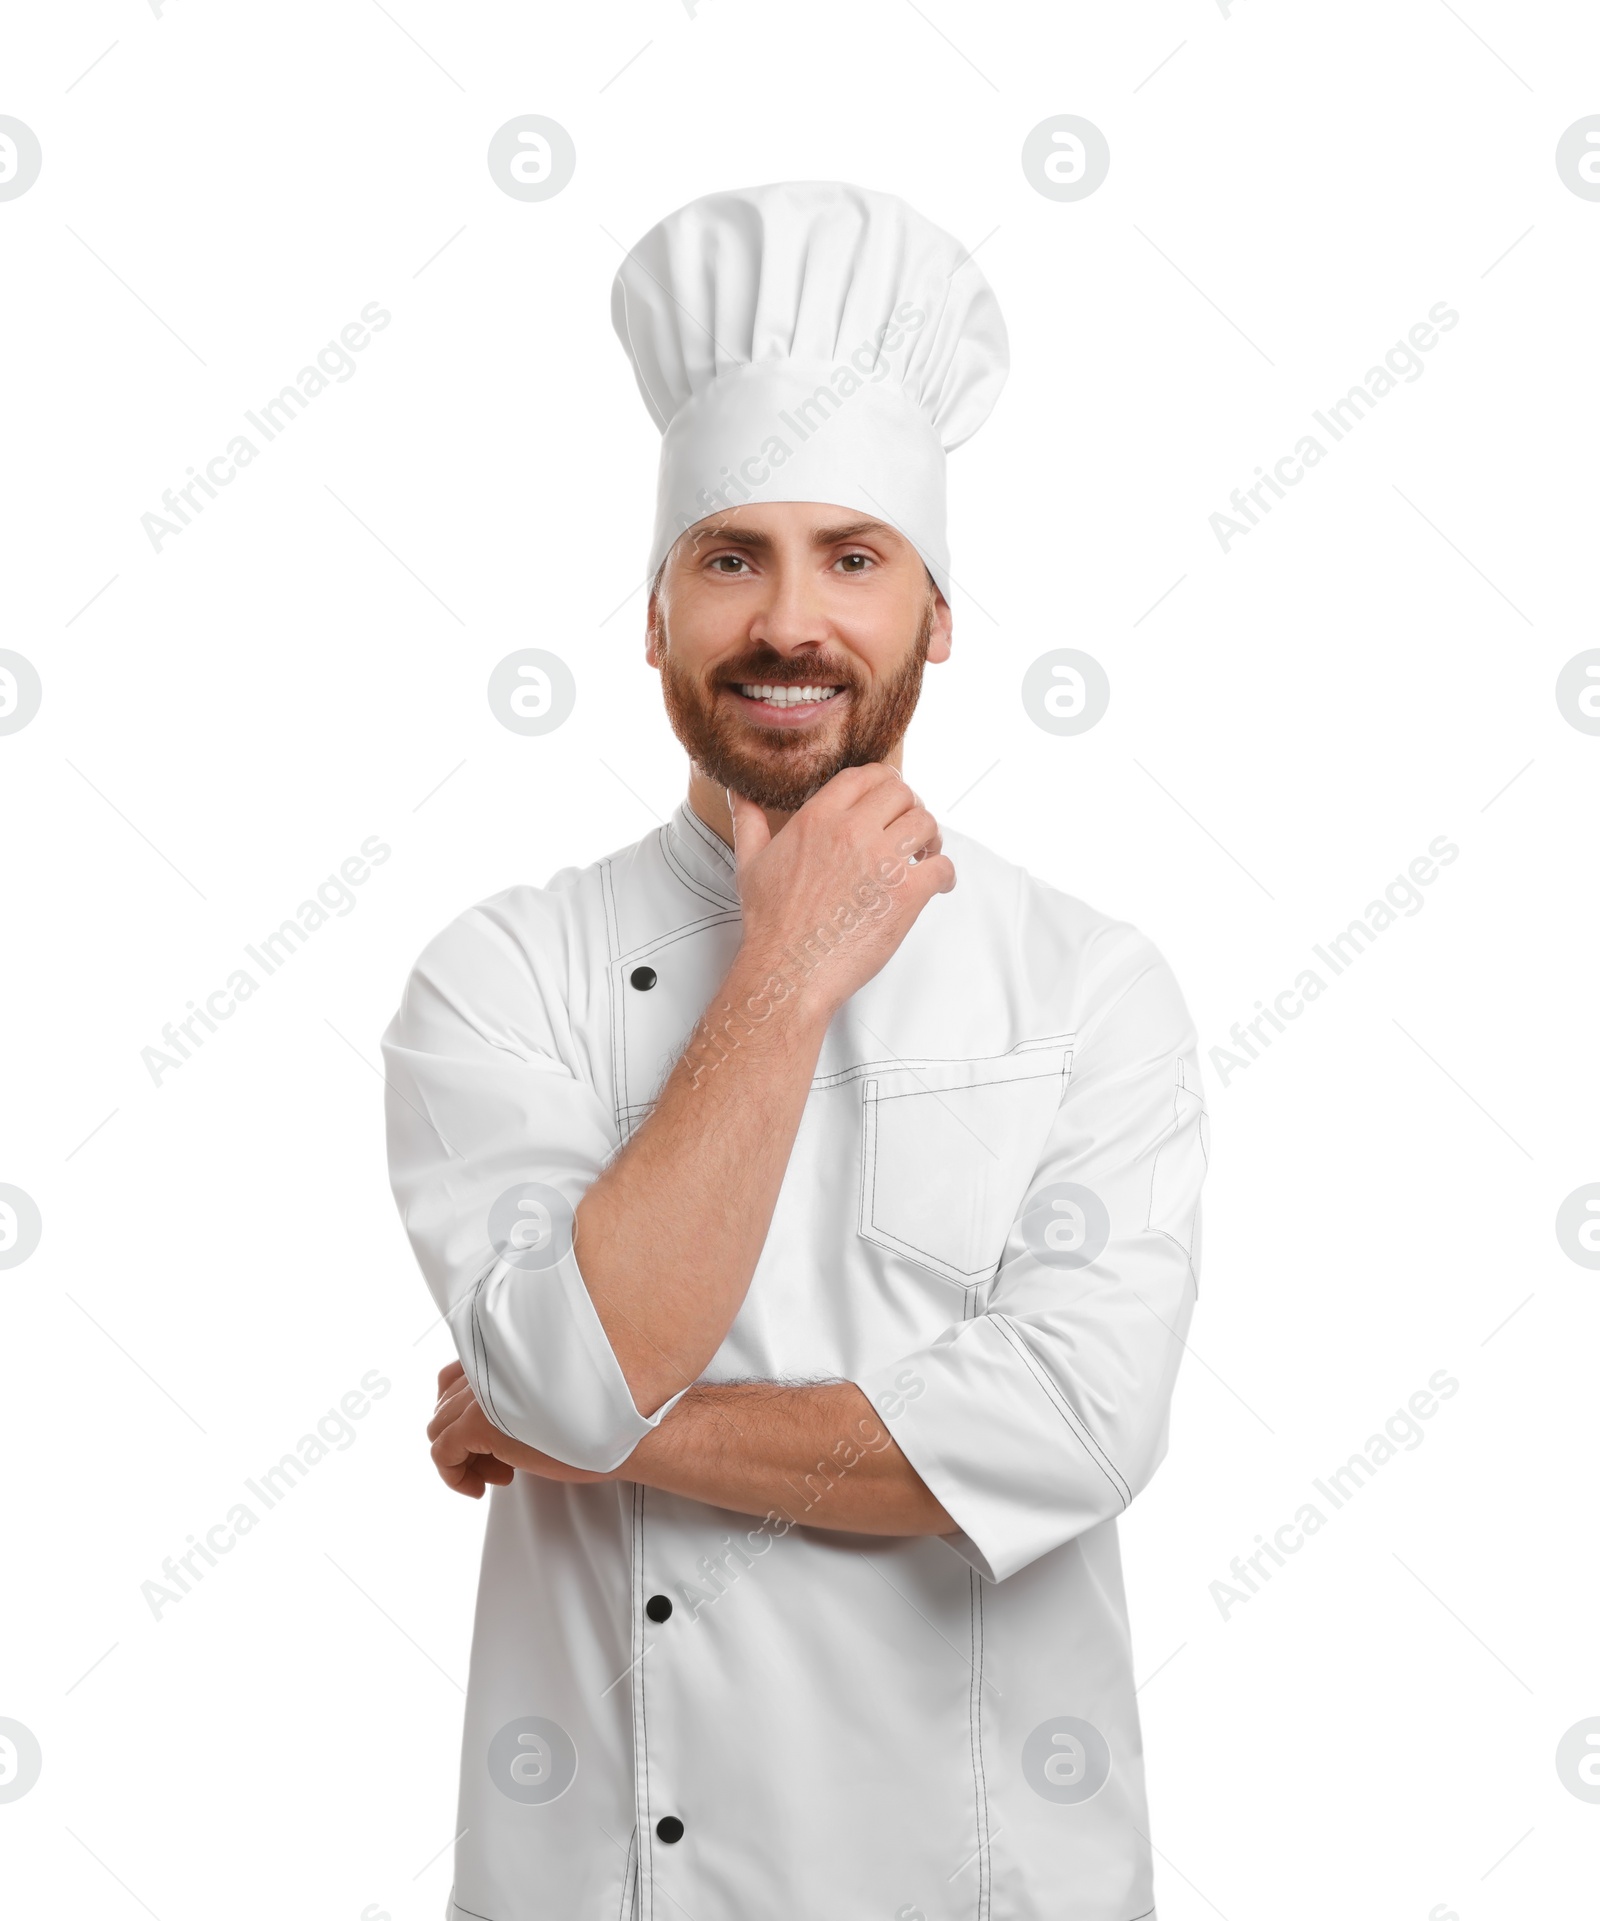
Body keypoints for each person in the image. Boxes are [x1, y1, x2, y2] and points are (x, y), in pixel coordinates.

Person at [382, 180, 1209, 1921]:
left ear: (939, 611)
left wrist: (575, 1420)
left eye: (855, 557)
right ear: (662, 608)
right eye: (731, 555)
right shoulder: (504, 973)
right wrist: (785, 973)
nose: (789, 623)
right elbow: (565, 1375)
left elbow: (1069, 1427)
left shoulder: (1089, 985)